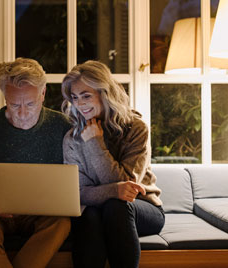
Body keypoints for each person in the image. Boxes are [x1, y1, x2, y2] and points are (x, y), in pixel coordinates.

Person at [0, 58, 71, 268]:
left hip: (43, 215)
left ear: (43, 93)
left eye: (30, 103)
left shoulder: (63, 127)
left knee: (61, 223)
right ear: (5, 96)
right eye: (14, 104)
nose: (22, 113)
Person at [61, 60, 165, 268]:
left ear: (104, 93)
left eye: (86, 95)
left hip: (141, 207)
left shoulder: (136, 128)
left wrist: (94, 143)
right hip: (95, 211)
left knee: (116, 205)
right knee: (87, 215)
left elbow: (127, 187)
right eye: (75, 97)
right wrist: (113, 190)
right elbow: (78, 193)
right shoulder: (72, 139)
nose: (80, 104)